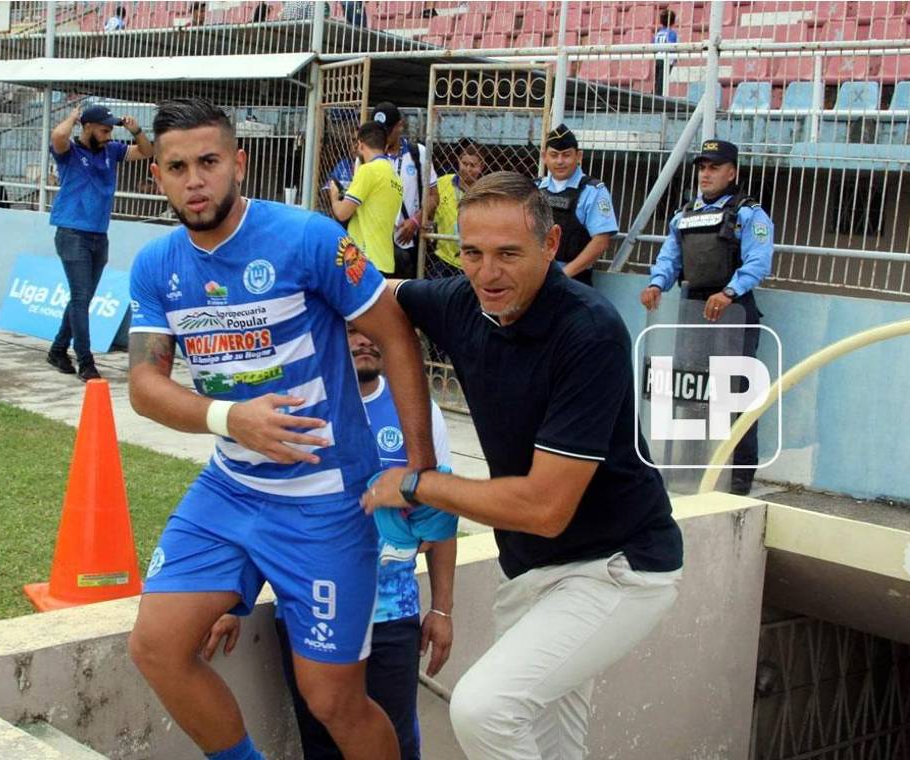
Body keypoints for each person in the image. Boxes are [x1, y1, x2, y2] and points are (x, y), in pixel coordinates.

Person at [125, 97, 435, 760]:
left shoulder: (309, 238)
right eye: (177, 166)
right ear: (157, 176)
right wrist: (228, 417)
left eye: (209, 161)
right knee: (156, 647)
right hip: (229, 490)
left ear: (239, 162)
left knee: (334, 702)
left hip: (324, 502)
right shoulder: (157, 266)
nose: (195, 179)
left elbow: (397, 336)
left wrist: (421, 465)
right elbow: (144, 388)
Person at [363, 171, 684, 760]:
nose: (487, 273)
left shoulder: (588, 332)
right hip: (529, 570)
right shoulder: (461, 301)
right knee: (552, 745)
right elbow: (372, 298)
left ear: (552, 245)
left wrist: (418, 482)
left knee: (485, 708)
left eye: (508, 253)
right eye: (473, 253)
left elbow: (544, 508)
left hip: (615, 567)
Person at [203, 323, 458, 760]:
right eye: (350, 331)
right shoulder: (293, 410)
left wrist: (442, 608)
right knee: (322, 743)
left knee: (396, 743)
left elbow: (441, 513)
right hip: (306, 608)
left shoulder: (417, 410)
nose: (364, 339)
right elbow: (255, 511)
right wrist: (227, 602)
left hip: (391, 614)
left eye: (371, 330)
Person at [639, 139, 773, 496]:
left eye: (714, 167)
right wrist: (656, 284)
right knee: (693, 388)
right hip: (692, 308)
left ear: (732, 172)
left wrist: (729, 291)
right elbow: (670, 258)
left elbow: (758, 262)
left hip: (733, 309)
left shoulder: (748, 213)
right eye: (702, 167)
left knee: (736, 393)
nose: (706, 174)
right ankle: (693, 465)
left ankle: (740, 475)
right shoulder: (685, 215)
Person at [46, 104, 152, 381]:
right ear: (88, 127)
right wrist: (72, 117)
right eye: (103, 130)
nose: (108, 135)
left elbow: (146, 152)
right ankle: (85, 361)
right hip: (72, 232)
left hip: (98, 234)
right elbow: (57, 137)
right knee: (81, 298)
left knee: (82, 298)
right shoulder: (70, 152)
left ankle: (58, 350)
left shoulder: (112, 151)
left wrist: (136, 130)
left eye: (110, 130)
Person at [536, 124, 618, 287]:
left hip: (574, 279)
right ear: (544, 157)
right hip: (535, 276)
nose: (560, 161)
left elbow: (601, 241)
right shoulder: (535, 188)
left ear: (579, 156)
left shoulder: (593, 191)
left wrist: (563, 276)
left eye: (566, 155)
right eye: (554, 155)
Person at [373, 102, 439, 279]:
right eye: (378, 130)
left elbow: (434, 196)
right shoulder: (368, 158)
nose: (383, 135)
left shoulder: (418, 153)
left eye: (387, 130)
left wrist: (416, 221)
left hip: (408, 242)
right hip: (376, 244)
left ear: (400, 126)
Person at [328, 121, 404, 276]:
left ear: (360, 145)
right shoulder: (394, 176)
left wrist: (334, 196)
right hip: (385, 261)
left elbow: (342, 213)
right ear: (385, 146)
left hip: (363, 259)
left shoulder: (368, 171)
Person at [429, 138, 486, 277]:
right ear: (458, 162)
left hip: (470, 259)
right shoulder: (442, 183)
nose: (468, 169)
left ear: (481, 166)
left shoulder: (485, 191)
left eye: (473, 165)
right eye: (464, 163)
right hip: (442, 256)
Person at [653, 8, 679, 97]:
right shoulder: (672, 33)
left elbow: (653, 45)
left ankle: (655, 94)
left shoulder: (658, 33)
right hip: (667, 59)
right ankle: (658, 97)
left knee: (658, 79)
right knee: (662, 80)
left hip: (658, 58)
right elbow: (672, 47)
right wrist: (675, 58)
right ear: (673, 21)